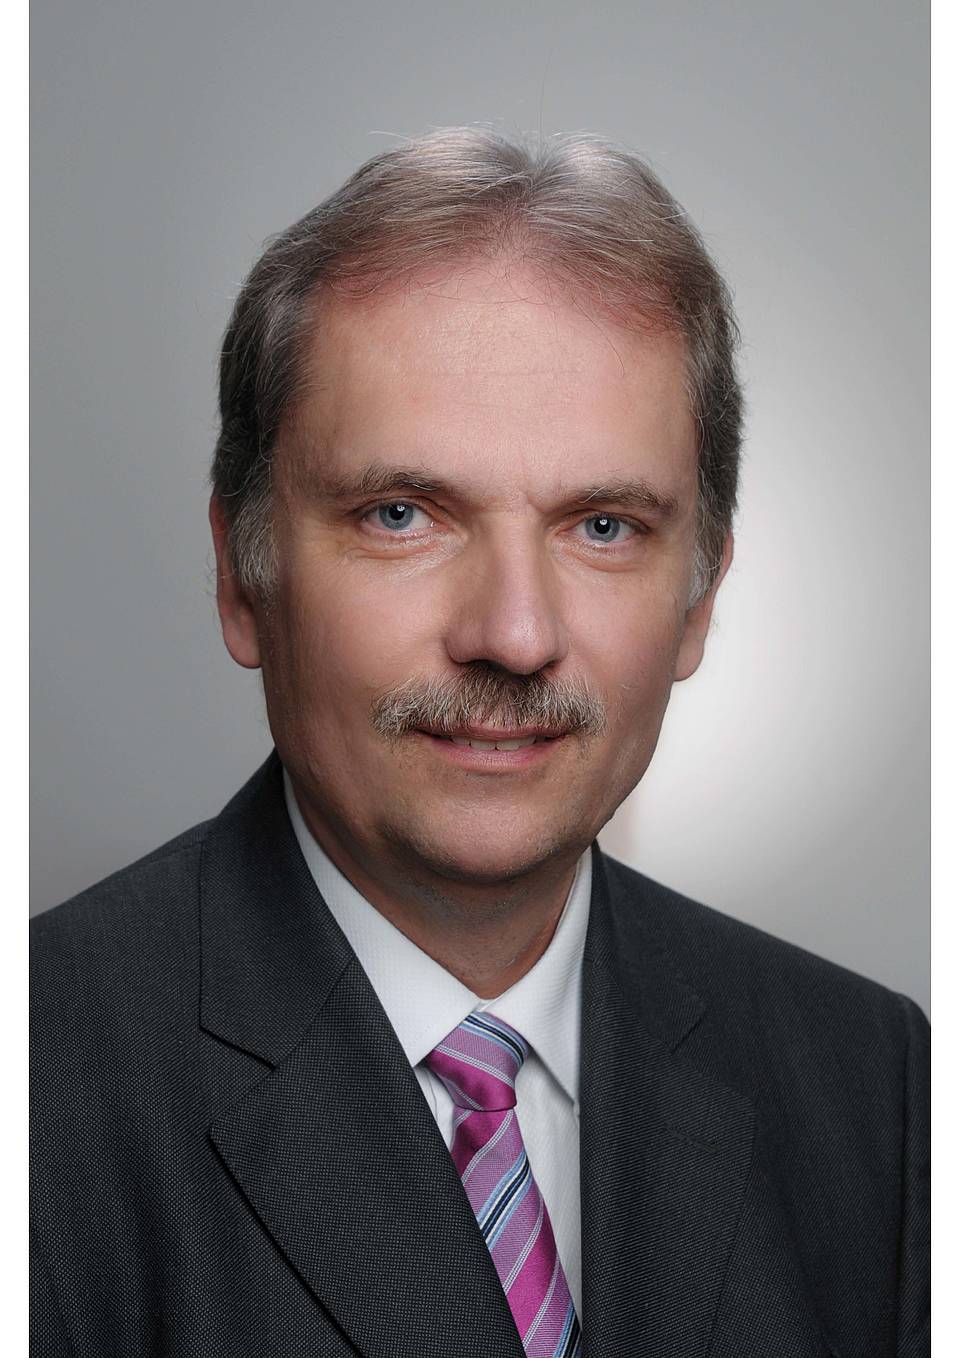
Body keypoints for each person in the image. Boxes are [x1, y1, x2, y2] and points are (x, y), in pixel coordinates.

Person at [30, 127, 929, 1358]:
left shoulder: (875, 1085)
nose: (514, 634)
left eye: (603, 525)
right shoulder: (40, 1085)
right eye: (402, 513)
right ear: (243, 576)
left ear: (699, 600)